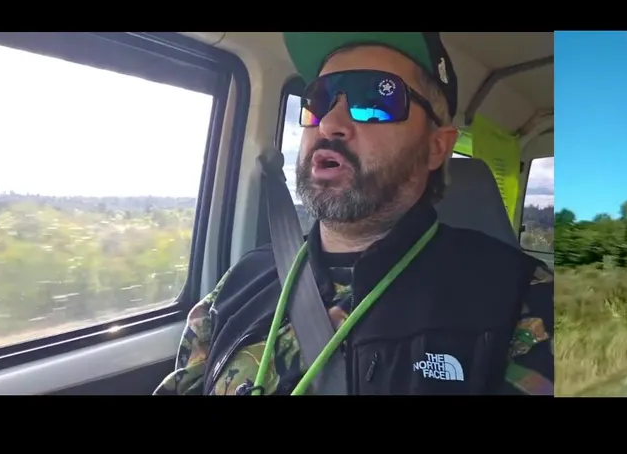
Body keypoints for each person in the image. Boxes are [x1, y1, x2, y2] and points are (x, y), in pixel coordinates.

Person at [154, 32, 553, 395]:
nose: (329, 124)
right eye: (318, 102)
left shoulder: (523, 300)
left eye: (374, 102)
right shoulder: (239, 283)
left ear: (436, 147)